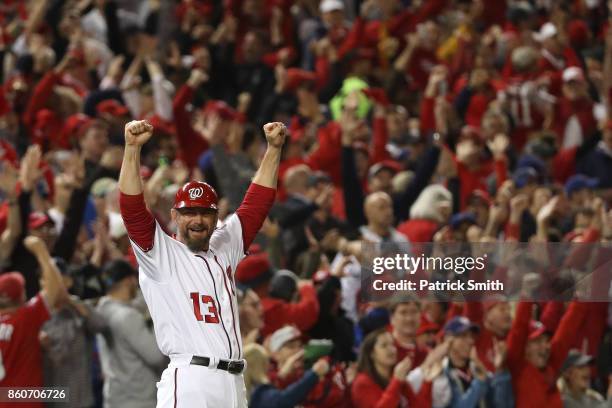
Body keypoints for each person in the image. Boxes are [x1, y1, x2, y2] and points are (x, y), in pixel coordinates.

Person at [118, 119, 285, 407]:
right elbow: (132, 209)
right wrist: (131, 150)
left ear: (215, 215)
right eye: (189, 213)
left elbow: (256, 205)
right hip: (192, 380)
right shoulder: (160, 253)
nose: (197, 220)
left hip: (233, 382)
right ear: (174, 215)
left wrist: (273, 149)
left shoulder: (224, 245)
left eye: (205, 213)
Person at [0, 236, 65, 408]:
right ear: (20, 295)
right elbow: (55, 288)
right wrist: (40, 250)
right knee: (62, 395)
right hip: (23, 402)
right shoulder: (24, 317)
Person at [96, 259, 166, 408]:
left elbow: (137, 304)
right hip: (137, 399)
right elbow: (156, 356)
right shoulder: (127, 316)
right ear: (129, 280)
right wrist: (157, 321)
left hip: (114, 397)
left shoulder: (101, 309)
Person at [40, 258, 108, 408]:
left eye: (57, 279)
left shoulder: (78, 308)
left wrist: (71, 302)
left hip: (81, 400)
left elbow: (101, 326)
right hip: (50, 399)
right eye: (47, 279)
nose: (52, 284)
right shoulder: (35, 313)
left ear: (68, 282)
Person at [351, 328, 432, 408]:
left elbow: (419, 406)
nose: (391, 349)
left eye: (392, 344)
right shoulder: (362, 382)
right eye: (384, 345)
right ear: (371, 354)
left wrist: (427, 382)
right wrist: (396, 381)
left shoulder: (396, 376)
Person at [243, 342, 331, 408]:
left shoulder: (240, 390)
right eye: (291, 347)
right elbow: (284, 400)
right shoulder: (258, 393)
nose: (297, 351)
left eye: (299, 346)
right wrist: (313, 374)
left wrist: (281, 375)